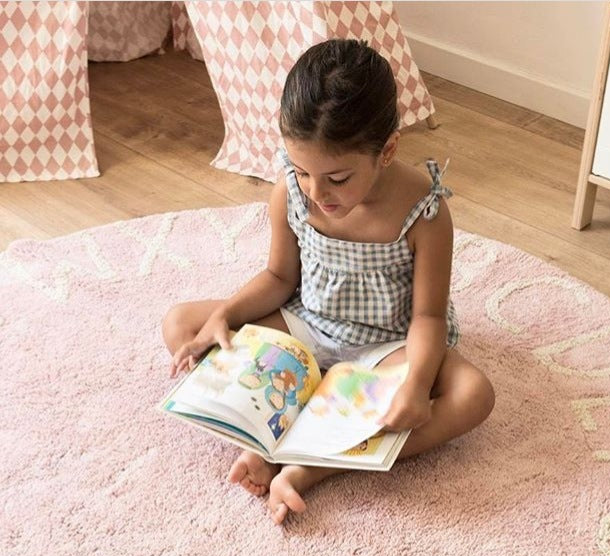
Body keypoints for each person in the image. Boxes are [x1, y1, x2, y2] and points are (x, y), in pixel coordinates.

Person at [162, 38, 495, 525]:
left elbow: (427, 316)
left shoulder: (424, 211)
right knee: (182, 324)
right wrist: (225, 316)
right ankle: (268, 439)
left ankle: (312, 467)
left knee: (473, 395)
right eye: (302, 172)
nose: (317, 194)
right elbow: (279, 277)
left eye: (337, 178)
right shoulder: (293, 191)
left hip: (388, 347)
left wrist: (417, 386)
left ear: (388, 151)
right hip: (308, 328)